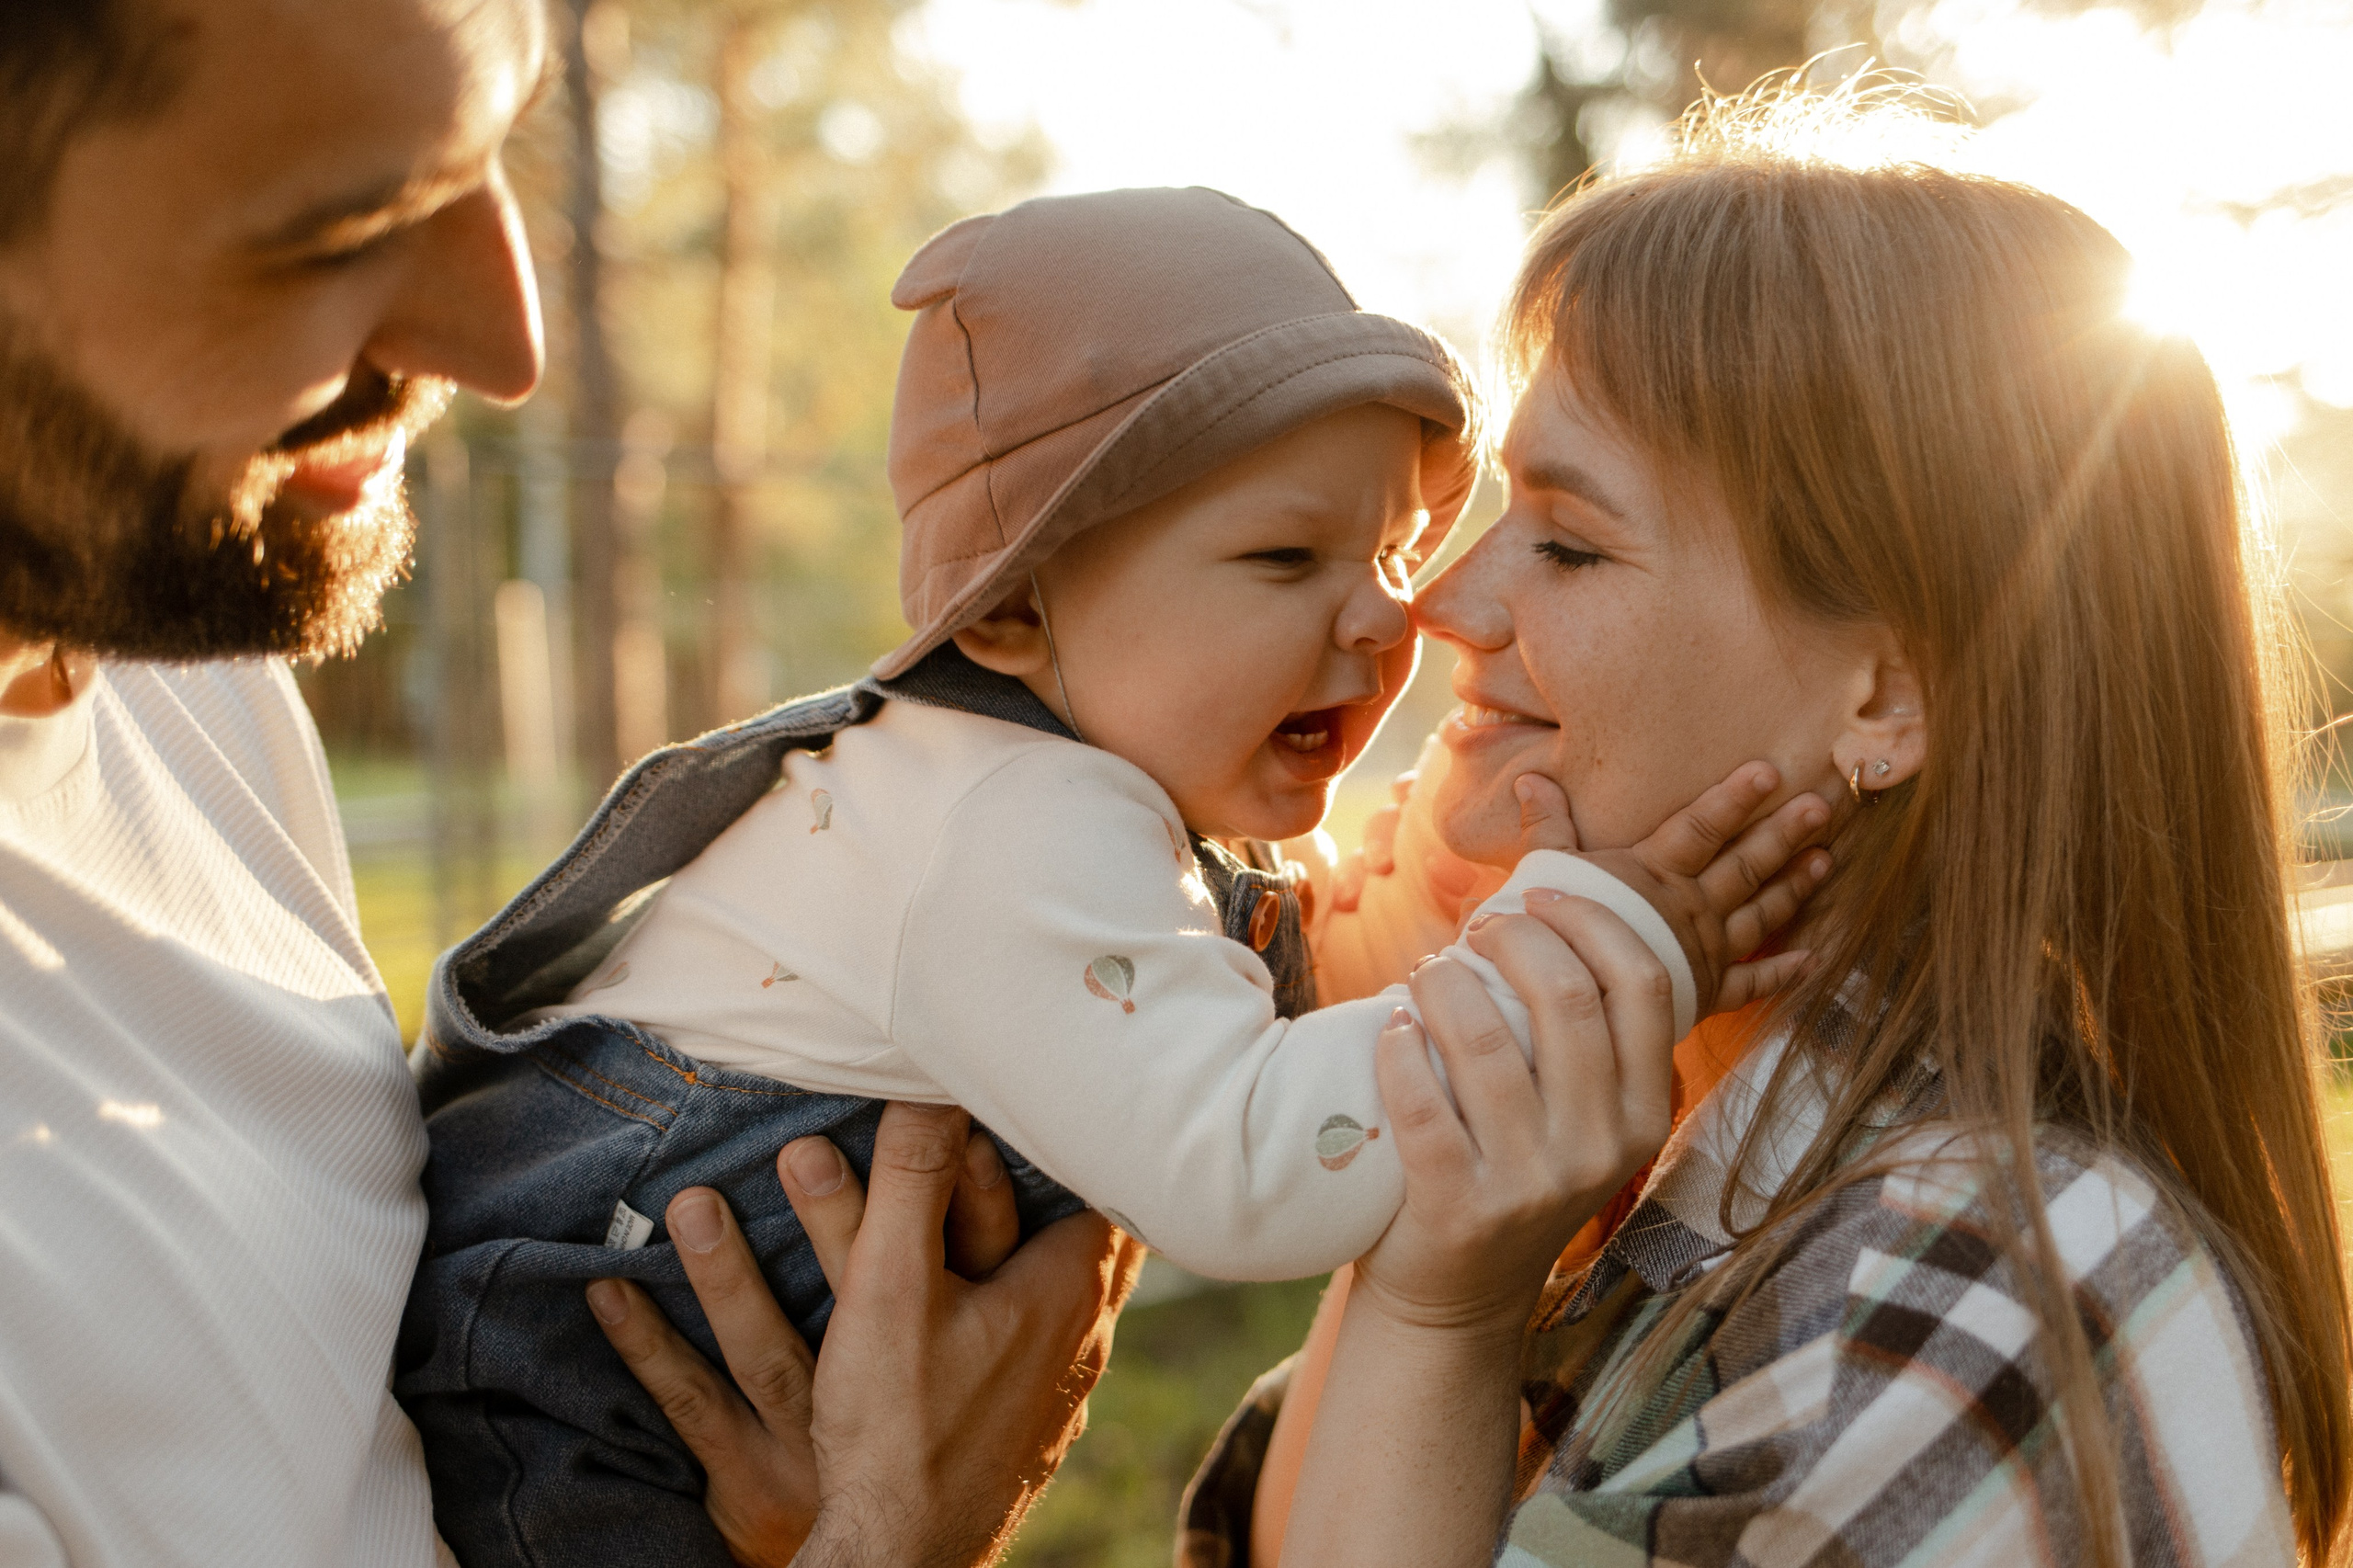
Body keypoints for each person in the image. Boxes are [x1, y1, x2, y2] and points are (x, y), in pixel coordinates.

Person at [394, 185, 1834, 1568]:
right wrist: (1597, 944)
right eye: (1287, 554)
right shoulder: (1016, 819)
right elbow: (1251, 1171)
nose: (1391, 611)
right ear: (1015, 606)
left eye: (1391, 545)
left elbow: (1253, 1026)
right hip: (579, 1403)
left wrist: (1410, 929)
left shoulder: (1051, 784)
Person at [0, 3, 1135, 1565]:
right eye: (337, 231)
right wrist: (891, 1538)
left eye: (490, 151)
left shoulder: (184, 687)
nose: (507, 341)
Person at [1169, 86, 2353, 1568]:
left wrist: (1441, 1310)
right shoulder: (1646, 1185)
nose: (1441, 605)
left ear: (1886, 692)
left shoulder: (1966, 1291)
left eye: (1571, 542)